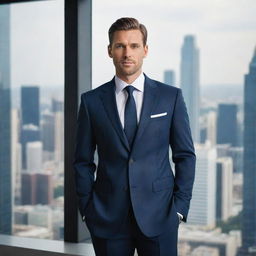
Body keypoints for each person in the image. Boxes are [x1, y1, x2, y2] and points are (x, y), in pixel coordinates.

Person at [73, 17, 196, 256]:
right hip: (107, 219)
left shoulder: (170, 97)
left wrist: (179, 208)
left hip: (161, 217)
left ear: (145, 50)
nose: (127, 53)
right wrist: (87, 209)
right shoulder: (91, 102)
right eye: (120, 46)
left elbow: (185, 156)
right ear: (110, 51)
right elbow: (82, 161)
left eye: (134, 46)